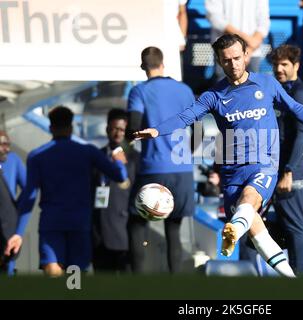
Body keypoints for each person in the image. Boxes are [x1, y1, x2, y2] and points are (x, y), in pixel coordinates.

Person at [134, 34, 303, 277]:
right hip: (232, 172)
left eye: (237, 58)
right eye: (226, 60)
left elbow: (297, 109)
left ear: (246, 56)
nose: (233, 64)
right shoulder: (214, 96)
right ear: (219, 61)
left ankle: (235, 230)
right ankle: (291, 279)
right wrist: (158, 129)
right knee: (256, 230)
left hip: (264, 166)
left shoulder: (266, 84)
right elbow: (186, 117)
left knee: (250, 200)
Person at [3, 106, 128, 276]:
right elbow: (120, 176)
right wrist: (119, 161)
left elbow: (29, 196)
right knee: (75, 276)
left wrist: (18, 233)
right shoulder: (87, 152)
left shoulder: (37, 156)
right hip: (79, 223)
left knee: (53, 271)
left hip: (51, 223)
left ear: (51, 128)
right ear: (71, 127)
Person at [126, 46, 196, 273]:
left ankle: (138, 285)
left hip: (153, 168)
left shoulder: (139, 92)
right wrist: (187, 154)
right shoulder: (185, 90)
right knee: (173, 230)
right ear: (163, 63)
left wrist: (127, 144)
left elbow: (134, 127)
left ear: (142, 67)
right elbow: (200, 129)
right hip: (183, 170)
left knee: (137, 223)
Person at [267, 44, 303, 274]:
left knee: (295, 227)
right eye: (275, 64)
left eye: (284, 64)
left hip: (289, 172)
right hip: (275, 170)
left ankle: (299, 276)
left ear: (296, 65)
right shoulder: (279, 90)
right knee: (281, 226)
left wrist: (288, 170)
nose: (279, 69)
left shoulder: (300, 93)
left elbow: (301, 135)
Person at [91, 109, 140, 273]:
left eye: (122, 130)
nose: (117, 133)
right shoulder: (96, 156)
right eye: (114, 129)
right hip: (98, 232)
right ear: (107, 129)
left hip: (124, 231)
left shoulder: (135, 158)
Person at [205, 0, 270, 77]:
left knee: (253, 86)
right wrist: (248, 42)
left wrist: (249, 50)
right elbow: (215, 17)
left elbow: (264, 21)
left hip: (253, 53)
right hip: (225, 53)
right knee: (224, 86)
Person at [0, 130, 25, 275]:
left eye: (7, 144)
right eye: (2, 144)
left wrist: (15, 208)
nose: (7, 148)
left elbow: (29, 188)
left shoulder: (13, 160)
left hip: (7, 228)